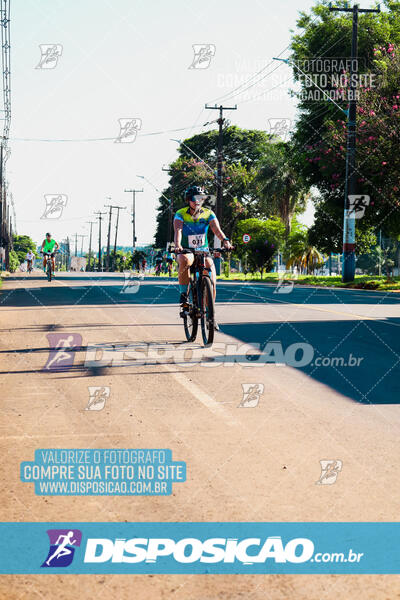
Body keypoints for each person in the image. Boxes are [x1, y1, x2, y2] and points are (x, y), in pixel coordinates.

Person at [174, 185, 232, 331]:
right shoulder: (181, 214)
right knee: (185, 260)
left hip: (203, 250)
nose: (198, 201)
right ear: (189, 200)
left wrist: (226, 241)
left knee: (211, 274)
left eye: (202, 198)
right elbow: (178, 230)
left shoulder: (208, 213)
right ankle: (184, 295)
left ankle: (211, 316)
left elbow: (216, 230)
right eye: (195, 199)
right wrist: (178, 245)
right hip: (186, 250)